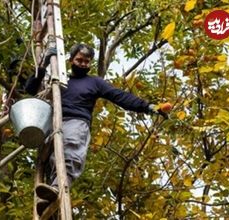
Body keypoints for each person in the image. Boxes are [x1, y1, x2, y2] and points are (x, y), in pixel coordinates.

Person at [25, 43, 169, 216]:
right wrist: (45, 63)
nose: (83, 64)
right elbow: (30, 89)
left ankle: (56, 188)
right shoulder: (57, 79)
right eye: (79, 60)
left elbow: (120, 96)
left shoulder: (94, 82)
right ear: (70, 60)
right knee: (51, 161)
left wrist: (148, 107)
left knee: (69, 153)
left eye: (87, 61)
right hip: (51, 123)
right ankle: (49, 198)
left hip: (76, 122)